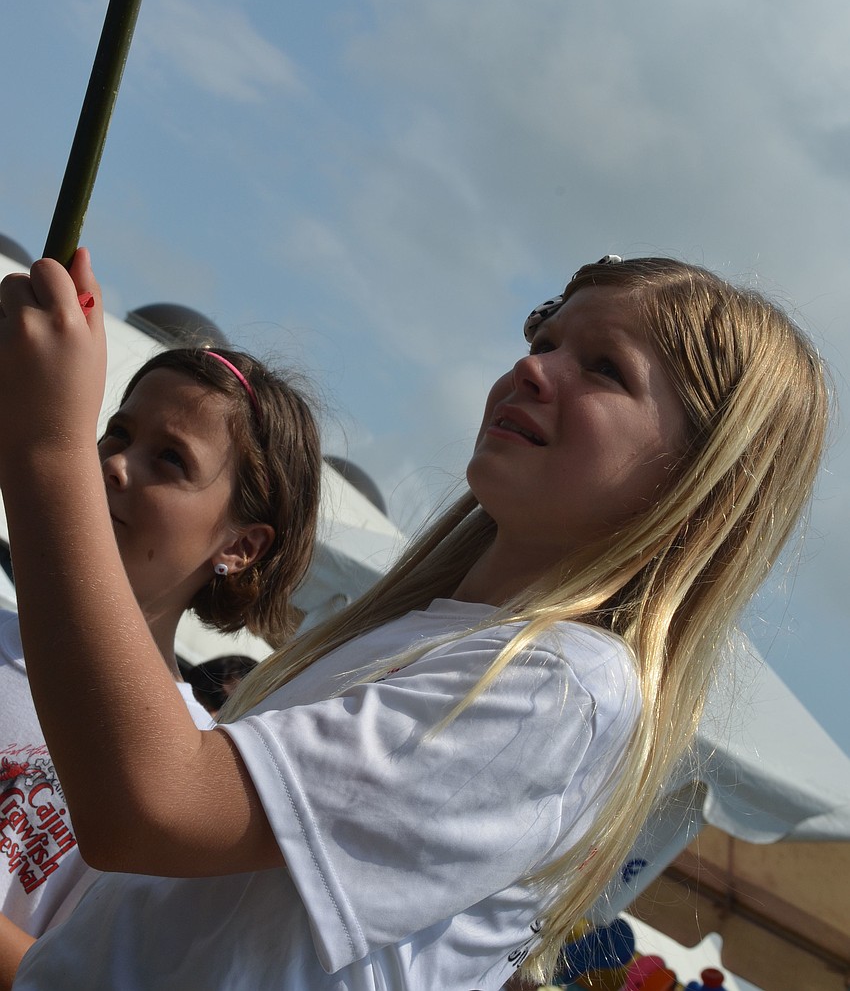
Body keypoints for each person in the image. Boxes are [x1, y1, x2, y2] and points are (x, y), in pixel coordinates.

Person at [0, 249, 828, 990]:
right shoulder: (442, 637)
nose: (533, 368)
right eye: (544, 339)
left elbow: (151, 807)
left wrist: (51, 448)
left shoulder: (565, 685)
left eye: (605, 367)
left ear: (698, 483)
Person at [0, 335, 322, 987]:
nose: (114, 464)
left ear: (241, 545)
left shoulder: (188, 773)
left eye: (169, 459)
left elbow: (72, 972)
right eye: (117, 432)